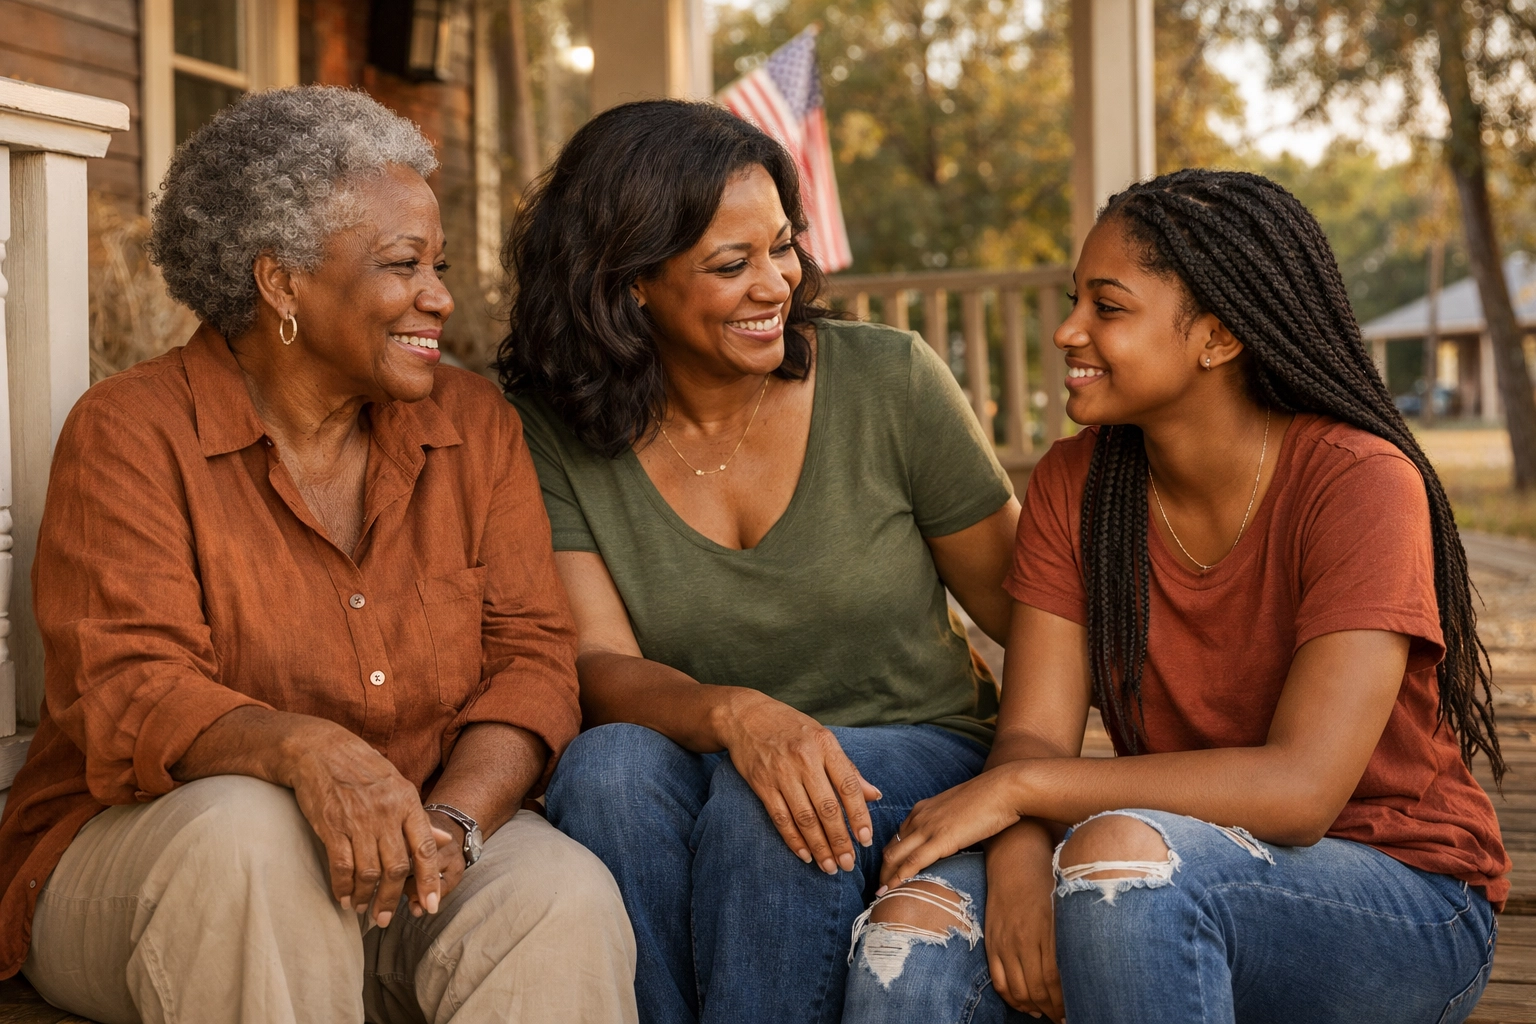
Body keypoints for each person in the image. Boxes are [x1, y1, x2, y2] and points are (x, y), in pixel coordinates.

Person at [0, 86, 636, 1024]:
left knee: (558, 896)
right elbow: (126, 688)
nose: (440, 297)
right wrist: (308, 752)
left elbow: (532, 661)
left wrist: (451, 821)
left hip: (417, 836)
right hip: (150, 862)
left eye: (441, 264)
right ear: (281, 282)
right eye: (403, 265)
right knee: (251, 836)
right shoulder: (134, 431)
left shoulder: (472, 426)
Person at [843, 169, 1508, 1024]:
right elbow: (1034, 735)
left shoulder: (1360, 482)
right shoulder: (1074, 485)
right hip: (1151, 859)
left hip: (1397, 892)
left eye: (1107, 308)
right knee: (913, 930)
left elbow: (1301, 791)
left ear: (1219, 336)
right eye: (1074, 299)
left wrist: (1018, 796)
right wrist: (1014, 862)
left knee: (1119, 864)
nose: (1067, 330)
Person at [495, 99, 1019, 1024]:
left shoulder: (889, 381)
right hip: (708, 748)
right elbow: (598, 665)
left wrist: (1048, 797)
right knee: (606, 770)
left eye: (782, 246)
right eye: (732, 264)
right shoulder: (553, 431)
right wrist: (738, 714)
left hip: (917, 746)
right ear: (629, 287)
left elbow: (1034, 616)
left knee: (772, 795)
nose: (777, 283)